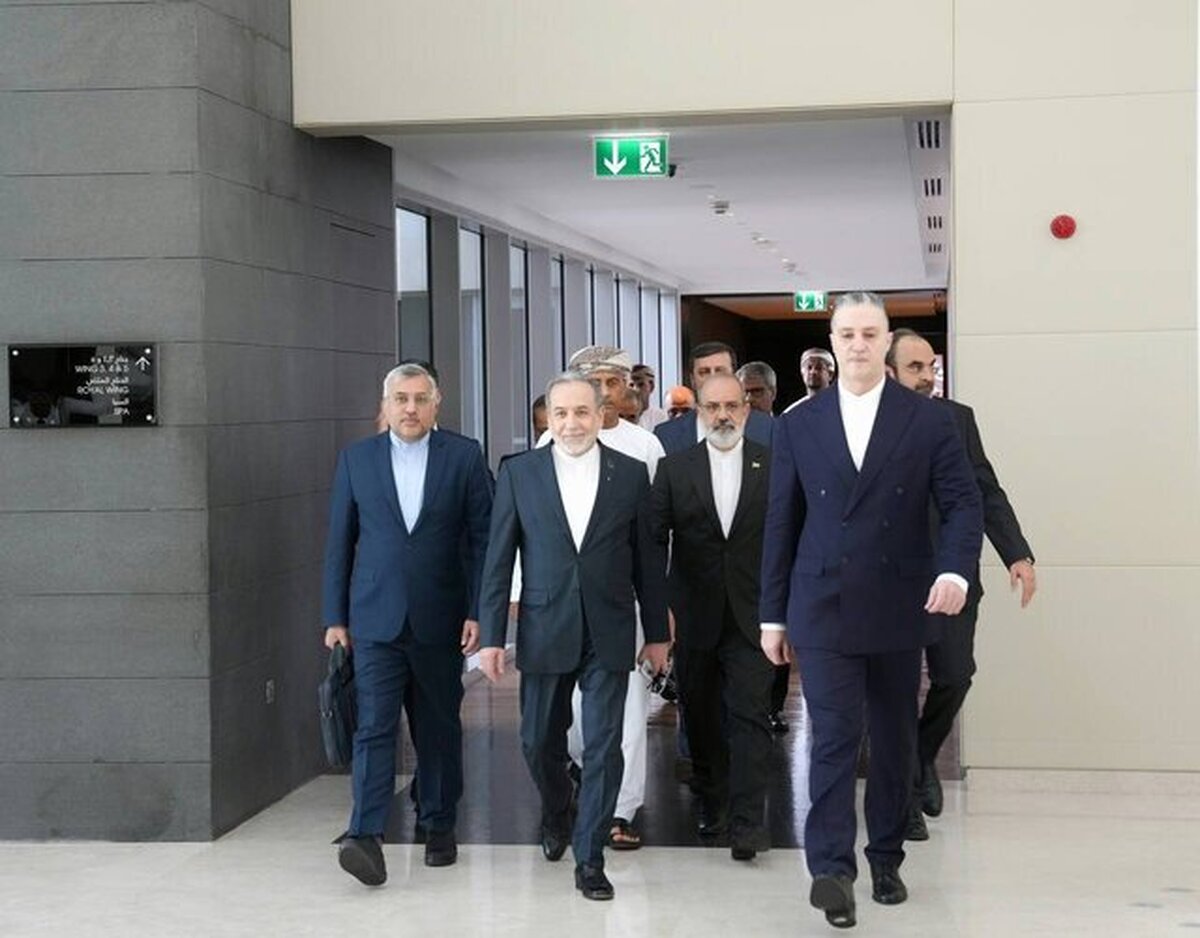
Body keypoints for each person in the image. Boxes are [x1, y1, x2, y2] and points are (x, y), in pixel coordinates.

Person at [759, 292, 982, 929]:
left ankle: (885, 856)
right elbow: (782, 521)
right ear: (833, 343)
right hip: (822, 601)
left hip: (898, 599)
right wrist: (773, 615)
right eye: (847, 333)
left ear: (887, 341)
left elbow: (963, 503)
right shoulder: (799, 423)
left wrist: (953, 570)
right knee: (832, 735)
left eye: (869, 333)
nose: (857, 343)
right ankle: (832, 870)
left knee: (892, 738)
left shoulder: (928, 420)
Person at [477, 372, 669, 901]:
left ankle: (590, 857)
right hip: (545, 625)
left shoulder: (631, 474)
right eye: (560, 413)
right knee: (538, 739)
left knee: (605, 745)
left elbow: (648, 562)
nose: (571, 423)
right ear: (548, 418)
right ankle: (558, 806)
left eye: (582, 412)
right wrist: (491, 636)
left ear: (602, 414)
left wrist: (657, 632)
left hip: (610, 628)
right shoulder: (520, 473)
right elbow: (498, 559)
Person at [322, 362, 494, 886]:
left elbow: (484, 540)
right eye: (401, 399)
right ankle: (365, 834)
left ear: (436, 403)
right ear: (386, 405)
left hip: (442, 619)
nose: (411, 408)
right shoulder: (357, 459)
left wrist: (479, 610)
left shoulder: (463, 456)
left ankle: (438, 824)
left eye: (421, 399)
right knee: (374, 726)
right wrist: (335, 617)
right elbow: (339, 542)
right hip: (374, 619)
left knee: (437, 726)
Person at [885, 328, 1037, 840]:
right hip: (890, 580)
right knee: (894, 691)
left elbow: (985, 489)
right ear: (889, 371)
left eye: (931, 367)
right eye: (915, 368)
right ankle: (904, 798)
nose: (927, 377)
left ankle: (922, 755)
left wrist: (1016, 553)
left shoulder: (957, 419)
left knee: (955, 676)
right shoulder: (866, 422)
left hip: (952, 574)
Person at [533, 345, 666, 851]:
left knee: (626, 713)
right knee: (568, 717)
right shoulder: (550, 442)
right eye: (596, 383)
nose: (605, 393)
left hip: (622, 604)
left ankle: (619, 810)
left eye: (613, 382)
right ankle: (584, 782)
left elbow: (655, 539)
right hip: (561, 608)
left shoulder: (644, 447)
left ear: (627, 388)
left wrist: (660, 612)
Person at [650, 373, 775, 861]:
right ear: (699, 412)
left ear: (746, 409)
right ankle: (714, 803)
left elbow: (788, 539)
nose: (723, 415)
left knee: (750, 716)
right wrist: (661, 611)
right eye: (712, 407)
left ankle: (748, 822)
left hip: (754, 614)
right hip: (694, 615)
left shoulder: (774, 466)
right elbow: (654, 542)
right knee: (700, 718)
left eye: (731, 406)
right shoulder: (674, 470)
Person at [655, 342, 773, 455]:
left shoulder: (769, 429)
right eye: (704, 372)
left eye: (720, 370)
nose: (713, 378)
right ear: (693, 380)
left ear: (734, 377)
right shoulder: (666, 435)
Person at [782, 347, 836, 413]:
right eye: (809, 367)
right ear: (802, 373)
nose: (813, 372)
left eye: (819, 368)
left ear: (830, 374)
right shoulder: (792, 412)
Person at [632, 364, 668, 430]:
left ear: (651, 386)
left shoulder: (661, 418)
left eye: (640, 384)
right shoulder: (618, 418)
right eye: (631, 385)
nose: (635, 389)